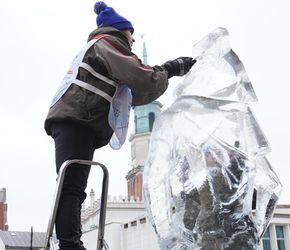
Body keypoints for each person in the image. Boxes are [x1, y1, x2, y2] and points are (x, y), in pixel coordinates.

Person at [44, 1, 195, 249]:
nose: (133, 39)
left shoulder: (102, 48)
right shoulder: (108, 43)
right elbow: (141, 77)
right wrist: (169, 68)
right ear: (118, 30)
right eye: (130, 32)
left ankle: (69, 241)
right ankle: (69, 244)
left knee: (73, 185)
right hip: (76, 119)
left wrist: (165, 74)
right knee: (71, 186)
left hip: (78, 120)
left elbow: (133, 95)